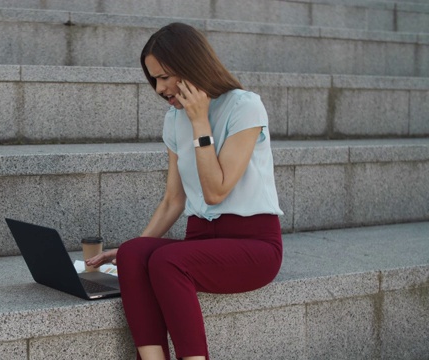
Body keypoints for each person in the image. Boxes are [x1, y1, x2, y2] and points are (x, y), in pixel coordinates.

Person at [86, 22, 284, 360]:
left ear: (191, 66)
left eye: (165, 77)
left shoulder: (244, 107)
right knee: (136, 254)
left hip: (254, 246)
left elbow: (216, 191)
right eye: (154, 80)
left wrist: (200, 122)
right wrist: (134, 246)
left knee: (166, 261)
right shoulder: (173, 120)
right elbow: (173, 200)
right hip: (202, 244)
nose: (160, 88)